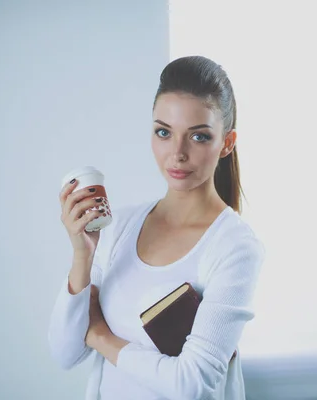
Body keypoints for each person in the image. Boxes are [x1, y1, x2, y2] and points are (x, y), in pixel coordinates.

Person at [48, 56, 265, 400]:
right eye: (164, 132)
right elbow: (64, 354)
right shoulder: (118, 227)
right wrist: (81, 256)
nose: (177, 153)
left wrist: (102, 337)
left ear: (226, 143)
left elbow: (193, 384)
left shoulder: (234, 246)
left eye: (198, 136)